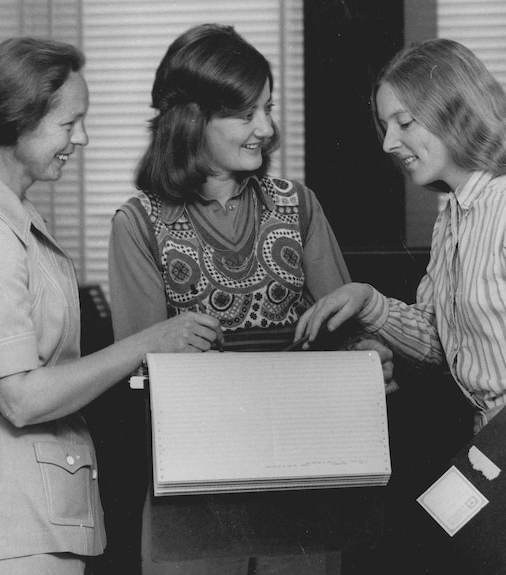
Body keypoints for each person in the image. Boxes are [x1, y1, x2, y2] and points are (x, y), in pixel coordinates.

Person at [294, 38, 506, 575]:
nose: (389, 142)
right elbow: (443, 346)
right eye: (385, 126)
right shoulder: (456, 215)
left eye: (404, 122)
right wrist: (370, 304)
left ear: (452, 112)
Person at [0, 37, 221, 575]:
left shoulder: (12, 222)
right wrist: (149, 342)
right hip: (10, 516)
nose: (83, 138)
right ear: (18, 121)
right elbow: (20, 398)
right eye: (69, 124)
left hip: (37, 510)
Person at [108, 23, 391, 575]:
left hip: (304, 478)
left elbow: (348, 330)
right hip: (194, 487)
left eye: (268, 107)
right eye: (245, 114)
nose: (265, 127)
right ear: (192, 120)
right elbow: (140, 372)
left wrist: (367, 360)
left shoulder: (298, 205)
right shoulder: (138, 224)